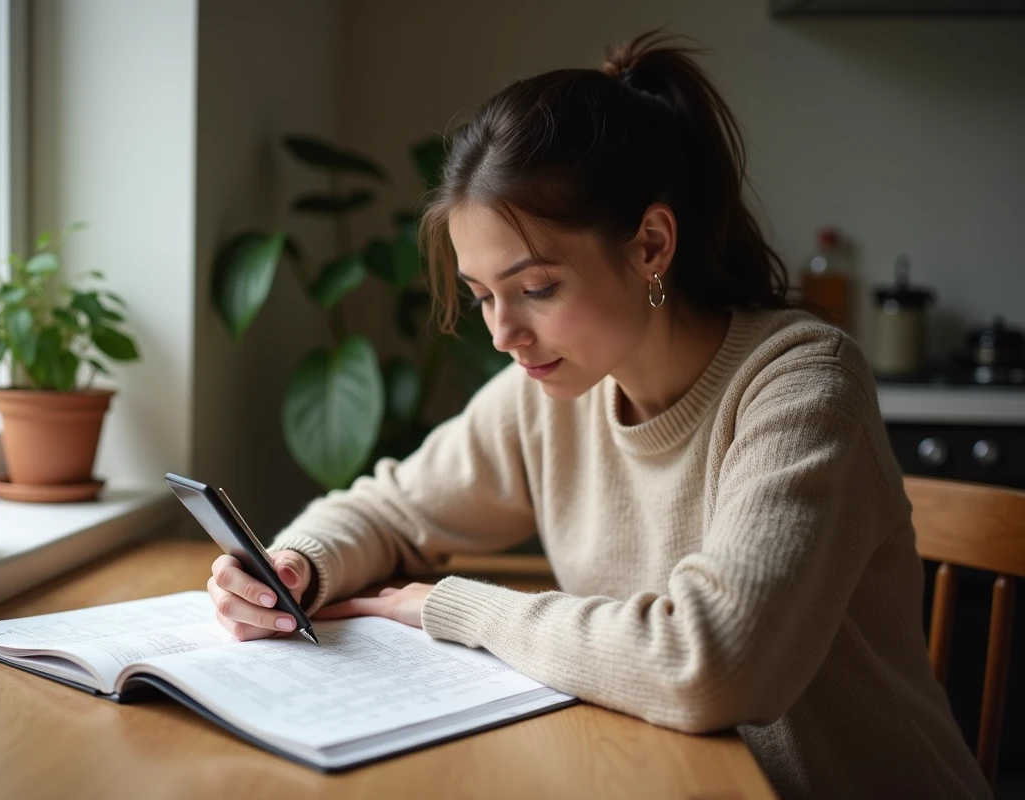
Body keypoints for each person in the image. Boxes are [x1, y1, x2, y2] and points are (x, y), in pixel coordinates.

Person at [207, 30, 990, 799]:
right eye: (483, 296)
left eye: (536, 288)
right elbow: (393, 508)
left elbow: (711, 664)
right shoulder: (551, 391)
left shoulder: (802, 386)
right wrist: (297, 565)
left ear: (651, 244)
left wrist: (449, 607)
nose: (503, 335)